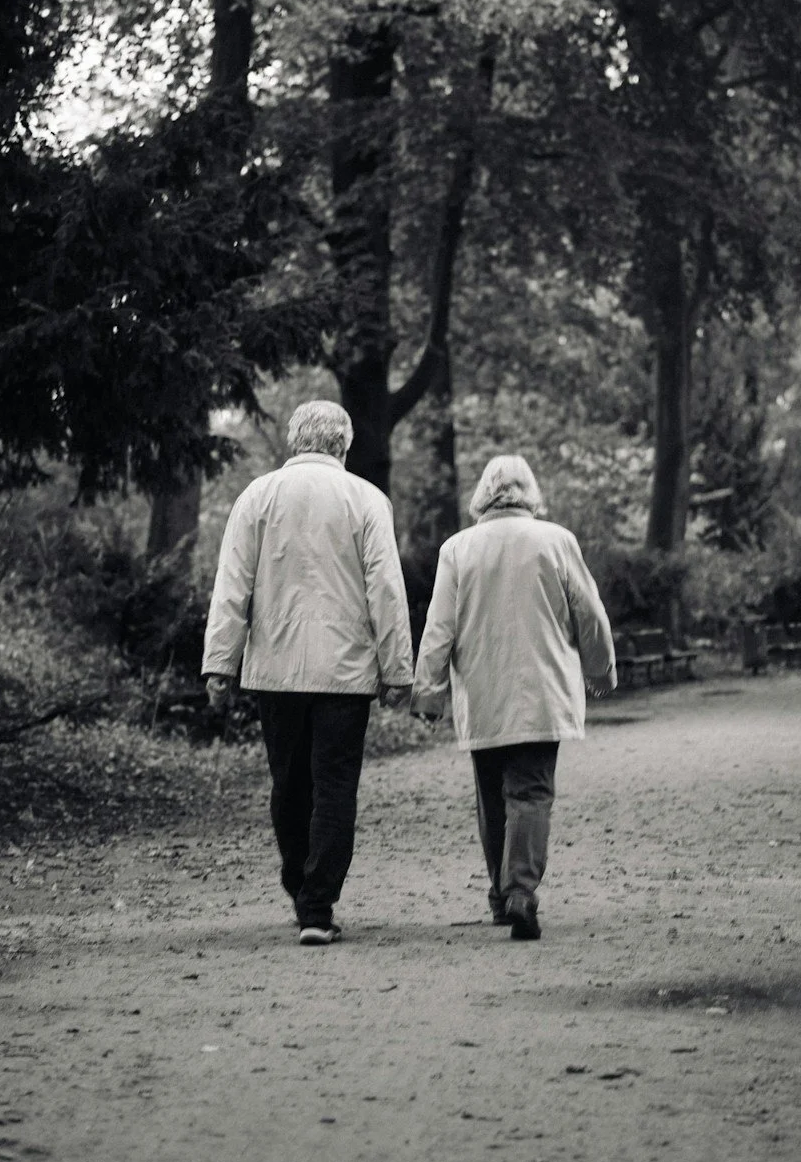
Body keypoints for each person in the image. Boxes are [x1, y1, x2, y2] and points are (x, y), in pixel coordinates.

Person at [202, 399, 414, 946]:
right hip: (345, 671)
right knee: (335, 786)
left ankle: (299, 883)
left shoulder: (257, 496)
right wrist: (397, 670)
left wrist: (220, 663)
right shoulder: (366, 499)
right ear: (344, 444)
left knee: (289, 785)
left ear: (294, 441)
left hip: (275, 670)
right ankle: (316, 905)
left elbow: (232, 584)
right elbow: (386, 590)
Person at [412, 453, 615, 941]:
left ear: (483, 495)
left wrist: (429, 691)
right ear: (531, 493)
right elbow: (589, 613)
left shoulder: (458, 548)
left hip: (482, 693)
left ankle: (502, 896)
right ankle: (520, 890)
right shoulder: (556, 541)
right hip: (542, 692)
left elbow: (439, 627)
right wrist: (601, 670)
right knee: (531, 792)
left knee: (492, 798)